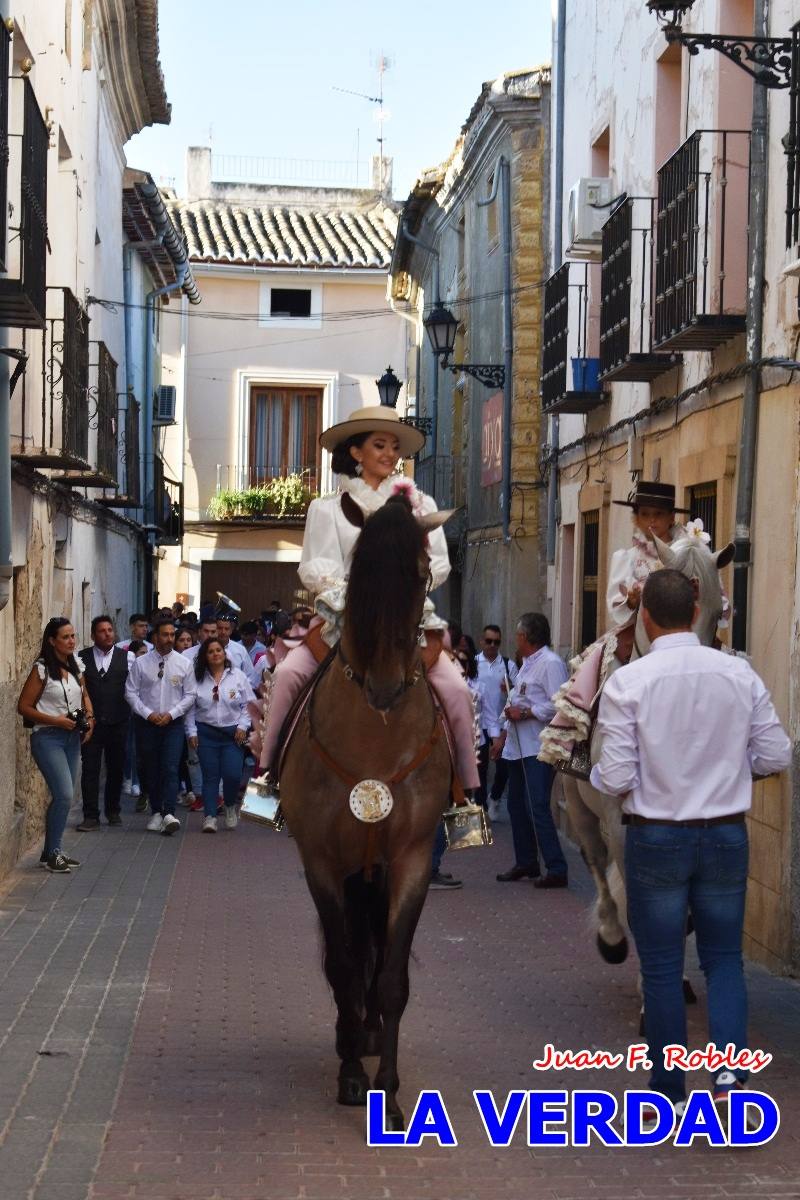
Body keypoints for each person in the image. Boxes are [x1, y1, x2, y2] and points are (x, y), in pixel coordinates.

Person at [590, 569, 791, 1125]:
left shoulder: (628, 683)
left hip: (655, 836)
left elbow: (611, 778)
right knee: (724, 960)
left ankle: (667, 1090)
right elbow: (776, 754)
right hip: (726, 832)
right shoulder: (739, 674)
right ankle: (729, 1080)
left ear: (646, 618)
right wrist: (728, 770)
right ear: (698, 610)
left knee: (660, 966)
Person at [257, 404, 480, 794]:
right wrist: (361, 598)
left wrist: (401, 591)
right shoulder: (327, 509)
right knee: (288, 675)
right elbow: (315, 567)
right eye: (380, 445)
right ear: (356, 452)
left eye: (395, 446)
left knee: (458, 690)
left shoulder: (421, 507)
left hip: (407, 621)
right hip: (343, 619)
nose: (390, 454)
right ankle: (268, 779)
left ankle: (465, 793)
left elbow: (439, 564)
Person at [493, 613, 569, 887]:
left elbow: (561, 704)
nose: (516, 639)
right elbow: (515, 700)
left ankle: (557, 868)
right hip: (516, 748)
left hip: (538, 747)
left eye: (518, 635)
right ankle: (526, 862)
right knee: (516, 807)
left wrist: (527, 713)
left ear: (527, 637)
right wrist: (501, 735)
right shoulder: (525, 664)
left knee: (536, 806)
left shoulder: (550, 663)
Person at [17, 618, 95, 874]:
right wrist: (56, 721)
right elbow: (24, 707)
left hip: (72, 738)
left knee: (67, 796)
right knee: (63, 794)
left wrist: (90, 719)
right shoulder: (41, 670)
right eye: (66, 637)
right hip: (47, 737)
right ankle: (52, 854)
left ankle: (52, 852)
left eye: (73, 636)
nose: (72, 641)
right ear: (52, 641)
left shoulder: (76, 667)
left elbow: (84, 696)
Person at [125, 617, 195, 836]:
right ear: (155, 637)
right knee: (151, 768)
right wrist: (148, 714)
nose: (169, 639)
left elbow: (191, 694)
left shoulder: (184, 663)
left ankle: (169, 813)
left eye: (172, 635)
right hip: (147, 724)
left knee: (171, 767)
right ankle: (156, 811)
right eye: (165, 635)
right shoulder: (141, 663)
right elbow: (130, 692)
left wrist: (172, 714)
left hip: (172, 724)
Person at [186, 637, 255, 832]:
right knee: (210, 776)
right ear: (205, 657)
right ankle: (210, 816)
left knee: (233, 775)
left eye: (218, 650)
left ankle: (230, 805)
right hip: (206, 733)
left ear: (225, 654)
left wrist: (243, 726)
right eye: (210, 651)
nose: (215, 654)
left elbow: (248, 705)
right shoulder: (197, 678)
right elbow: (190, 709)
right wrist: (191, 731)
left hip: (233, 735)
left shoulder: (238, 676)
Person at [606, 481, 690, 629]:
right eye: (645, 514)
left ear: (671, 517)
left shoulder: (687, 553)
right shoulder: (626, 558)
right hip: (639, 632)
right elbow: (615, 605)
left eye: (659, 513)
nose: (652, 519)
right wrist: (631, 602)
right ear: (637, 518)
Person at [76, 616, 132, 831]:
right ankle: (91, 816)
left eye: (110, 630)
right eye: (102, 631)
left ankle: (113, 809)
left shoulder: (128, 658)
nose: (108, 634)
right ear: (93, 635)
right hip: (92, 725)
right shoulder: (81, 658)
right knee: (90, 769)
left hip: (118, 722)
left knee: (116, 769)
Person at [476, 625, 518, 821]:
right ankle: (481, 807)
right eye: (489, 641)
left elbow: (519, 693)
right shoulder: (473, 663)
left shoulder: (508, 665)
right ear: (482, 641)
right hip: (478, 724)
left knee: (503, 768)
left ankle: (495, 797)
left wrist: (509, 687)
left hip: (501, 725)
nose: (492, 645)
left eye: (496, 642)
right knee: (479, 768)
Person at [123, 638, 150, 810]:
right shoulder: (132, 664)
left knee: (139, 750)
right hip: (133, 712)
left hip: (147, 714)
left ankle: (140, 784)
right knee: (131, 748)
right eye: (141, 653)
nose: (144, 657)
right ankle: (131, 780)